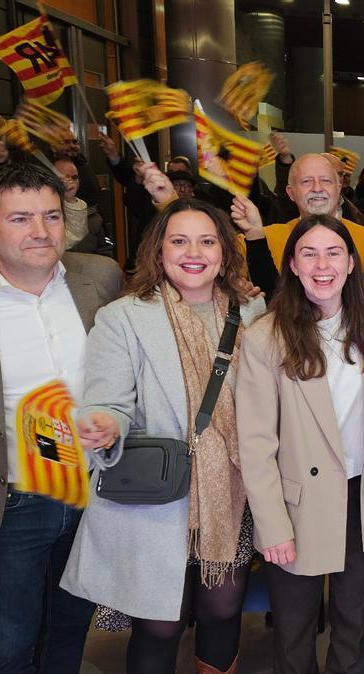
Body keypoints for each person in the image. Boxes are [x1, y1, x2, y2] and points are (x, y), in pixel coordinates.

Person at [0, 162, 122, 672]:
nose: (41, 232)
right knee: (9, 644)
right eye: (20, 219)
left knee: (70, 631)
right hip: (9, 502)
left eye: (52, 216)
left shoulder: (99, 279)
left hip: (90, 493)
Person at [60, 199, 263, 674]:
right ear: (159, 250)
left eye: (207, 240)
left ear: (224, 252)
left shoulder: (251, 309)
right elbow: (106, 398)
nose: (194, 252)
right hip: (156, 492)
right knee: (159, 623)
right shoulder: (123, 317)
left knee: (221, 610)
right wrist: (106, 423)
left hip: (232, 491)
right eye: (179, 240)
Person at [237, 215, 364, 674]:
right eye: (309, 253)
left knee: (355, 622)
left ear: (351, 264)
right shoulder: (266, 336)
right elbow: (256, 440)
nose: (322, 265)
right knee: (294, 627)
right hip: (297, 503)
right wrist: (272, 525)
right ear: (292, 264)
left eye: (333, 253)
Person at [232, 153, 364, 286]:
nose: (317, 188)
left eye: (325, 181)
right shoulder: (259, 240)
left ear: (338, 189)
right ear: (291, 193)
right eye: (306, 181)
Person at [53, 157, 105, 253]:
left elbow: (104, 250)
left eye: (74, 178)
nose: (70, 182)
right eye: (63, 178)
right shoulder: (41, 210)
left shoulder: (91, 215)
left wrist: (69, 199)